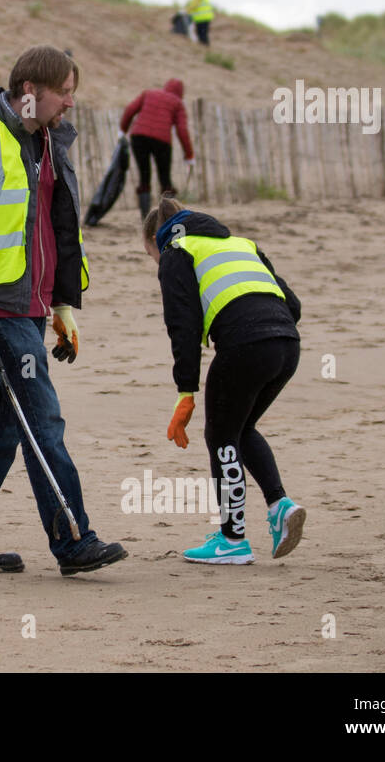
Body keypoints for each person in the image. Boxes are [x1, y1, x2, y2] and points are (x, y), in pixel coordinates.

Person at [0, 45, 128, 576]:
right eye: (64, 92)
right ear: (30, 93)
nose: (71, 102)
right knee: (43, 422)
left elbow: (58, 227)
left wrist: (63, 304)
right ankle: (73, 540)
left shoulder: (48, 141)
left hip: (32, 309)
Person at [141, 194, 306, 564]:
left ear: (155, 241)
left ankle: (232, 539)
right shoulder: (240, 244)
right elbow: (292, 304)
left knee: (219, 435)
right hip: (287, 345)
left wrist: (186, 392)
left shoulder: (176, 251)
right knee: (240, 428)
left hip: (245, 346)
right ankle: (279, 504)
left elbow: (181, 327)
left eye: (149, 254)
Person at [119, 78, 194, 218]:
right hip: (162, 141)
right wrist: (189, 155)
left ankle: (145, 218)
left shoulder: (148, 94)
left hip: (138, 136)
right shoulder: (177, 103)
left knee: (144, 177)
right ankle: (169, 217)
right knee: (165, 179)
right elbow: (182, 130)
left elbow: (130, 110)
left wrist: (123, 130)